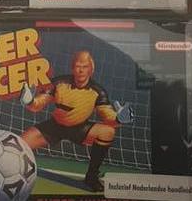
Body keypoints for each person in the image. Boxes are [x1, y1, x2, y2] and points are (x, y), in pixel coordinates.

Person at [20, 50, 133, 192]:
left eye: (85, 67)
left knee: (108, 132)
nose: (81, 70)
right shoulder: (59, 83)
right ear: (72, 68)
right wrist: (30, 101)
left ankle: (91, 178)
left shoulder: (98, 92)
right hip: (55, 126)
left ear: (91, 69)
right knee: (18, 145)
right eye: (78, 66)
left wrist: (119, 119)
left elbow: (107, 116)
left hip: (79, 128)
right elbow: (39, 103)